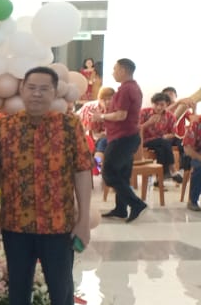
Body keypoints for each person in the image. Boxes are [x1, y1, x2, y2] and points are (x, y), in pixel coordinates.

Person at [0, 66, 92, 305]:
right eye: (31, 87)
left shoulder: (69, 126)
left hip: (58, 224)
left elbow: (82, 171)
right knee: (18, 286)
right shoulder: (6, 127)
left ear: (55, 92)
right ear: (22, 90)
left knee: (61, 289)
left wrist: (83, 219)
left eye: (44, 88)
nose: (37, 93)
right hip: (15, 222)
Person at [93, 58, 146, 222]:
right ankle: (121, 209)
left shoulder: (126, 89)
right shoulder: (133, 87)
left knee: (108, 173)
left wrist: (101, 117)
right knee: (122, 174)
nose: (113, 72)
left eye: (115, 69)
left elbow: (121, 115)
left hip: (122, 138)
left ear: (123, 70)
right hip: (127, 136)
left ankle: (136, 203)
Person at [139, 92, 182, 185]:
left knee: (161, 149)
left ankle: (160, 179)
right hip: (145, 140)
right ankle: (172, 169)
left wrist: (166, 136)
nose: (158, 107)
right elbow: (137, 129)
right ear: (152, 103)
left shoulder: (170, 116)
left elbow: (173, 133)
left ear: (167, 104)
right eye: (156, 104)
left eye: (162, 105)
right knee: (164, 143)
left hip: (161, 142)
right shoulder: (144, 112)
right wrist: (148, 123)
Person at [78, 86, 114, 172]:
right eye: (104, 99)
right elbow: (87, 129)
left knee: (104, 142)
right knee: (102, 142)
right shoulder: (91, 108)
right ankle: (97, 167)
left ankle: (98, 167)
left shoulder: (115, 110)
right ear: (99, 99)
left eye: (110, 99)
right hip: (88, 134)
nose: (107, 102)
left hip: (107, 137)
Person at [183, 114, 201, 211]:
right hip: (194, 153)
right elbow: (187, 149)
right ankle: (192, 201)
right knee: (199, 167)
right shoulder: (196, 124)